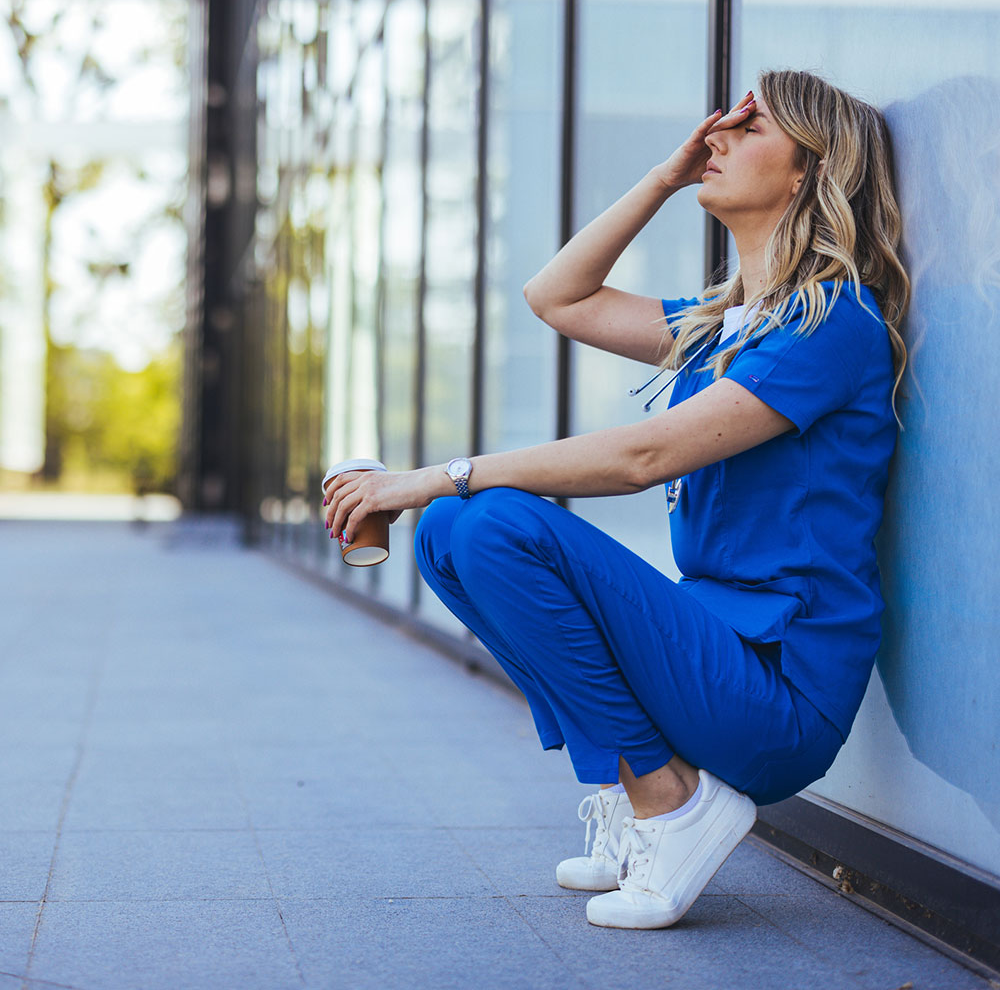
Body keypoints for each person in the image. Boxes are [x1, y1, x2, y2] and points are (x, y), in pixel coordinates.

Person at [322, 69, 909, 930]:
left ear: (806, 174)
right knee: (451, 532)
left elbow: (643, 456)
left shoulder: (831, 325)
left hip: (777, 692)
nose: (719, 138)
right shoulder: (721, 327)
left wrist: (430, 474)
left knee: (485, 520)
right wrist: (664, 179)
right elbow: (556, 297)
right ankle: (626, 789)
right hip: (714, 653)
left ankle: (669, 802)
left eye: (751, 131)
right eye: (721, 127)